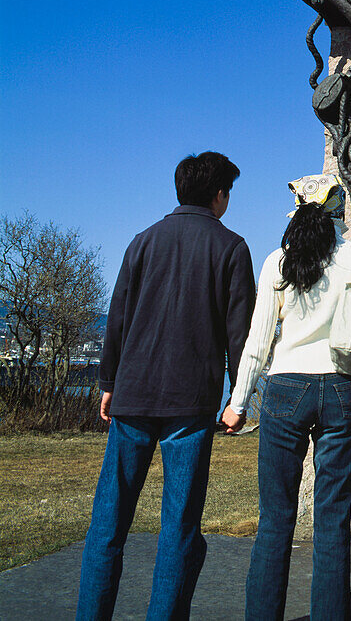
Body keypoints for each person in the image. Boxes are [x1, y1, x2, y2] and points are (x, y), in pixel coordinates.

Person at [77, 152, 255, 621]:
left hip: (133, 394)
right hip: (190, 403)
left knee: (107, 525)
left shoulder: (141, 242)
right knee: (178, 529)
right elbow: (241, 335)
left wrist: (108, 383)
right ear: (219, 194)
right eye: (228, 192)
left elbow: (117, 319)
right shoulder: (232, 248)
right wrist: (239, 398)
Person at [221, 173, 351, 621]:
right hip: (342, 390)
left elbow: (258, 343)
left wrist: (238, 403)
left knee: (275, 520)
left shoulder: (278, 261)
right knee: (332, 521)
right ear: (340, 211)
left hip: (286, 389)